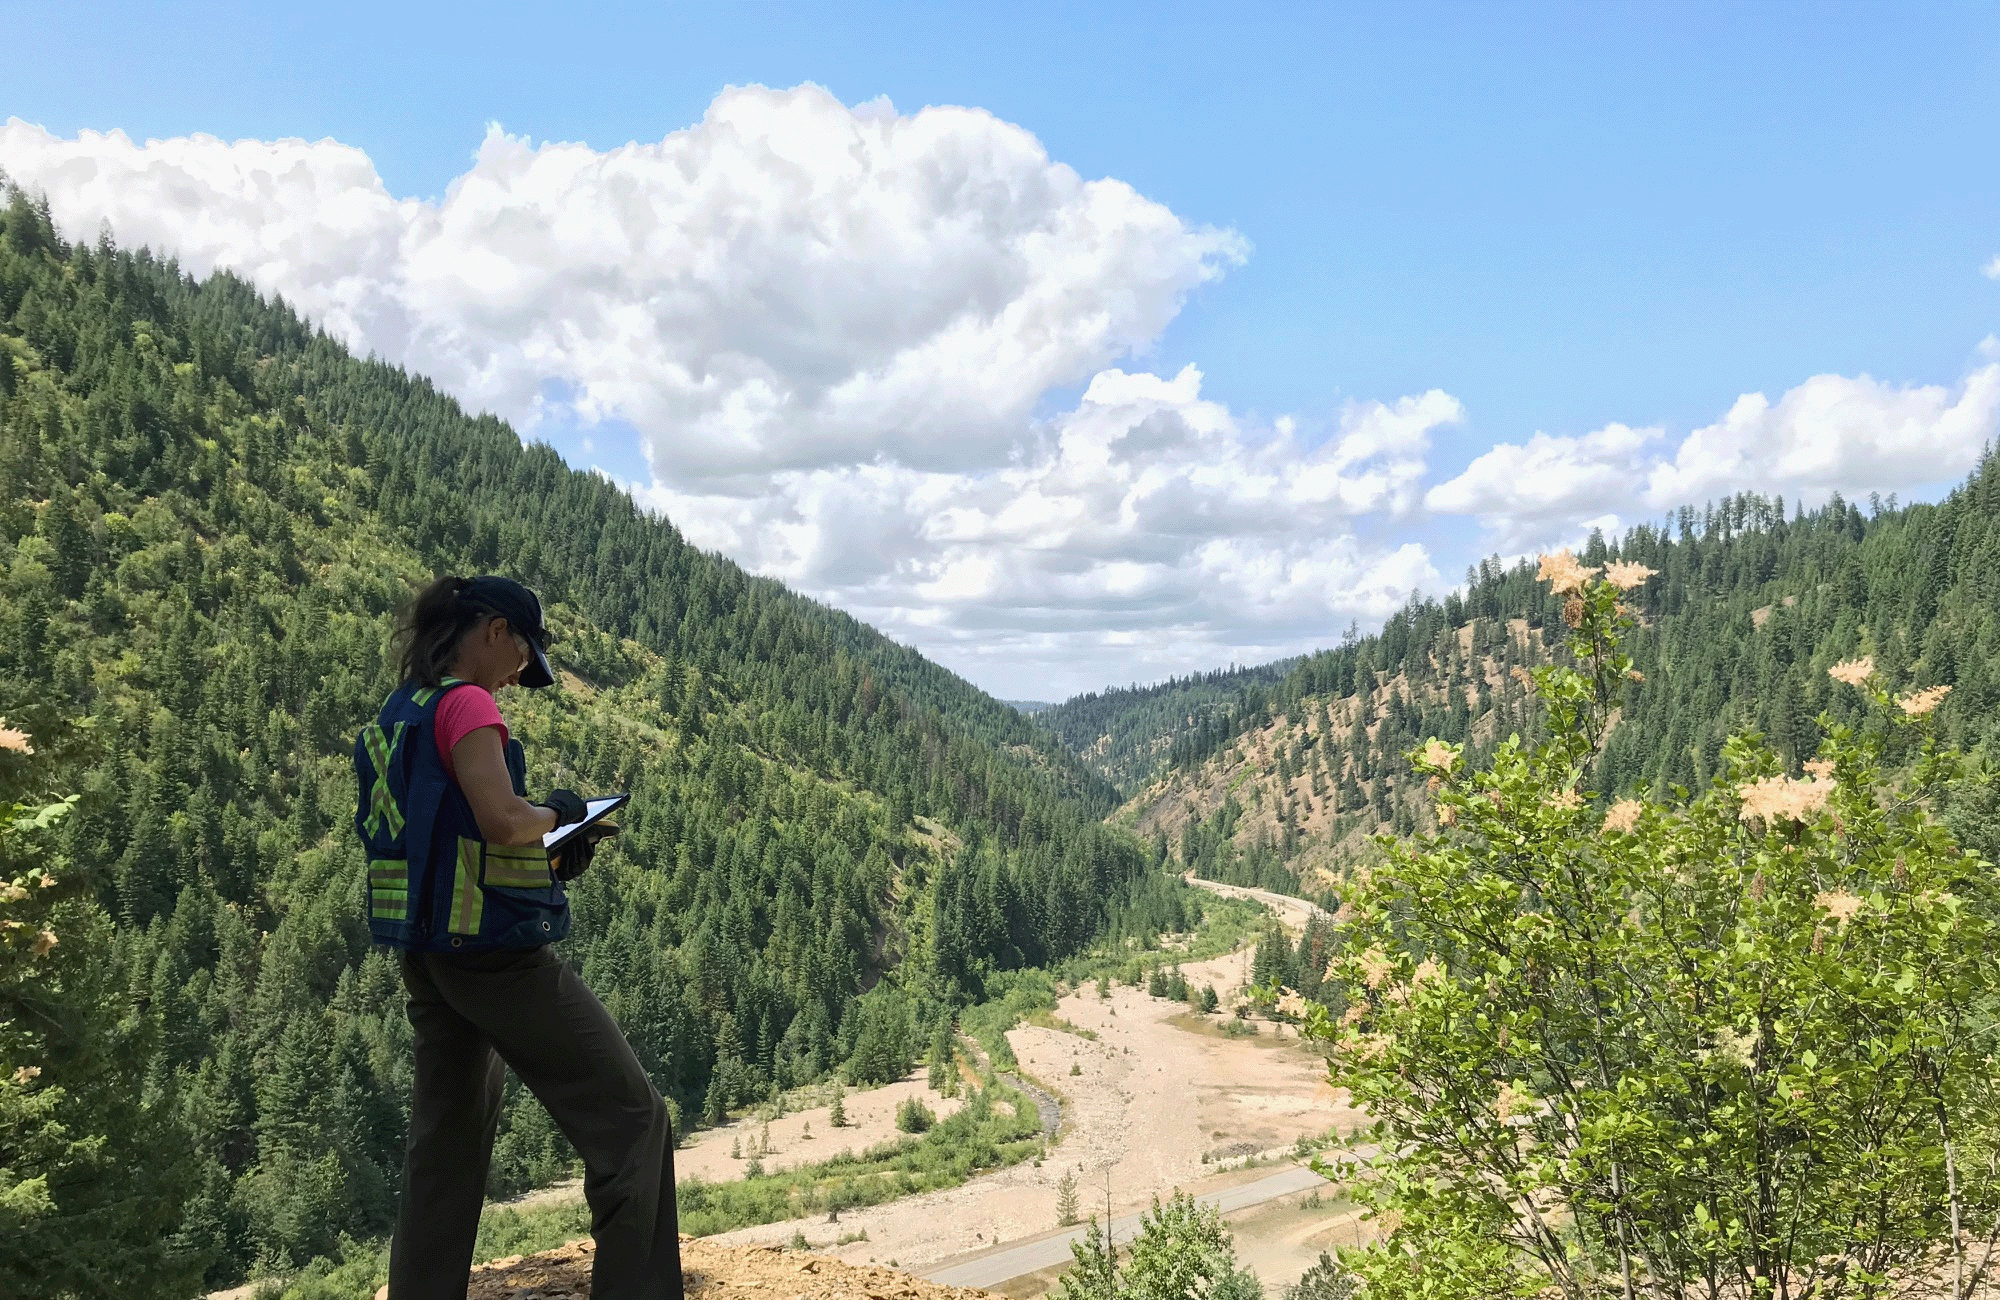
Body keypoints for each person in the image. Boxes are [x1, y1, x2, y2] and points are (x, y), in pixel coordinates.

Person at [353, 575, 683, 1300]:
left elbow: (449, 838)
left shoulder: (401, 709)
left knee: (444, 1146)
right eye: (522, 658)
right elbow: (503, 821)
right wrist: (559, 812)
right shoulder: (468, 703)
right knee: (634, 1119)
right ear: (496, 630)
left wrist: (545, 851)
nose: (516, 678)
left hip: (428, 953)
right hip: (495, 958)